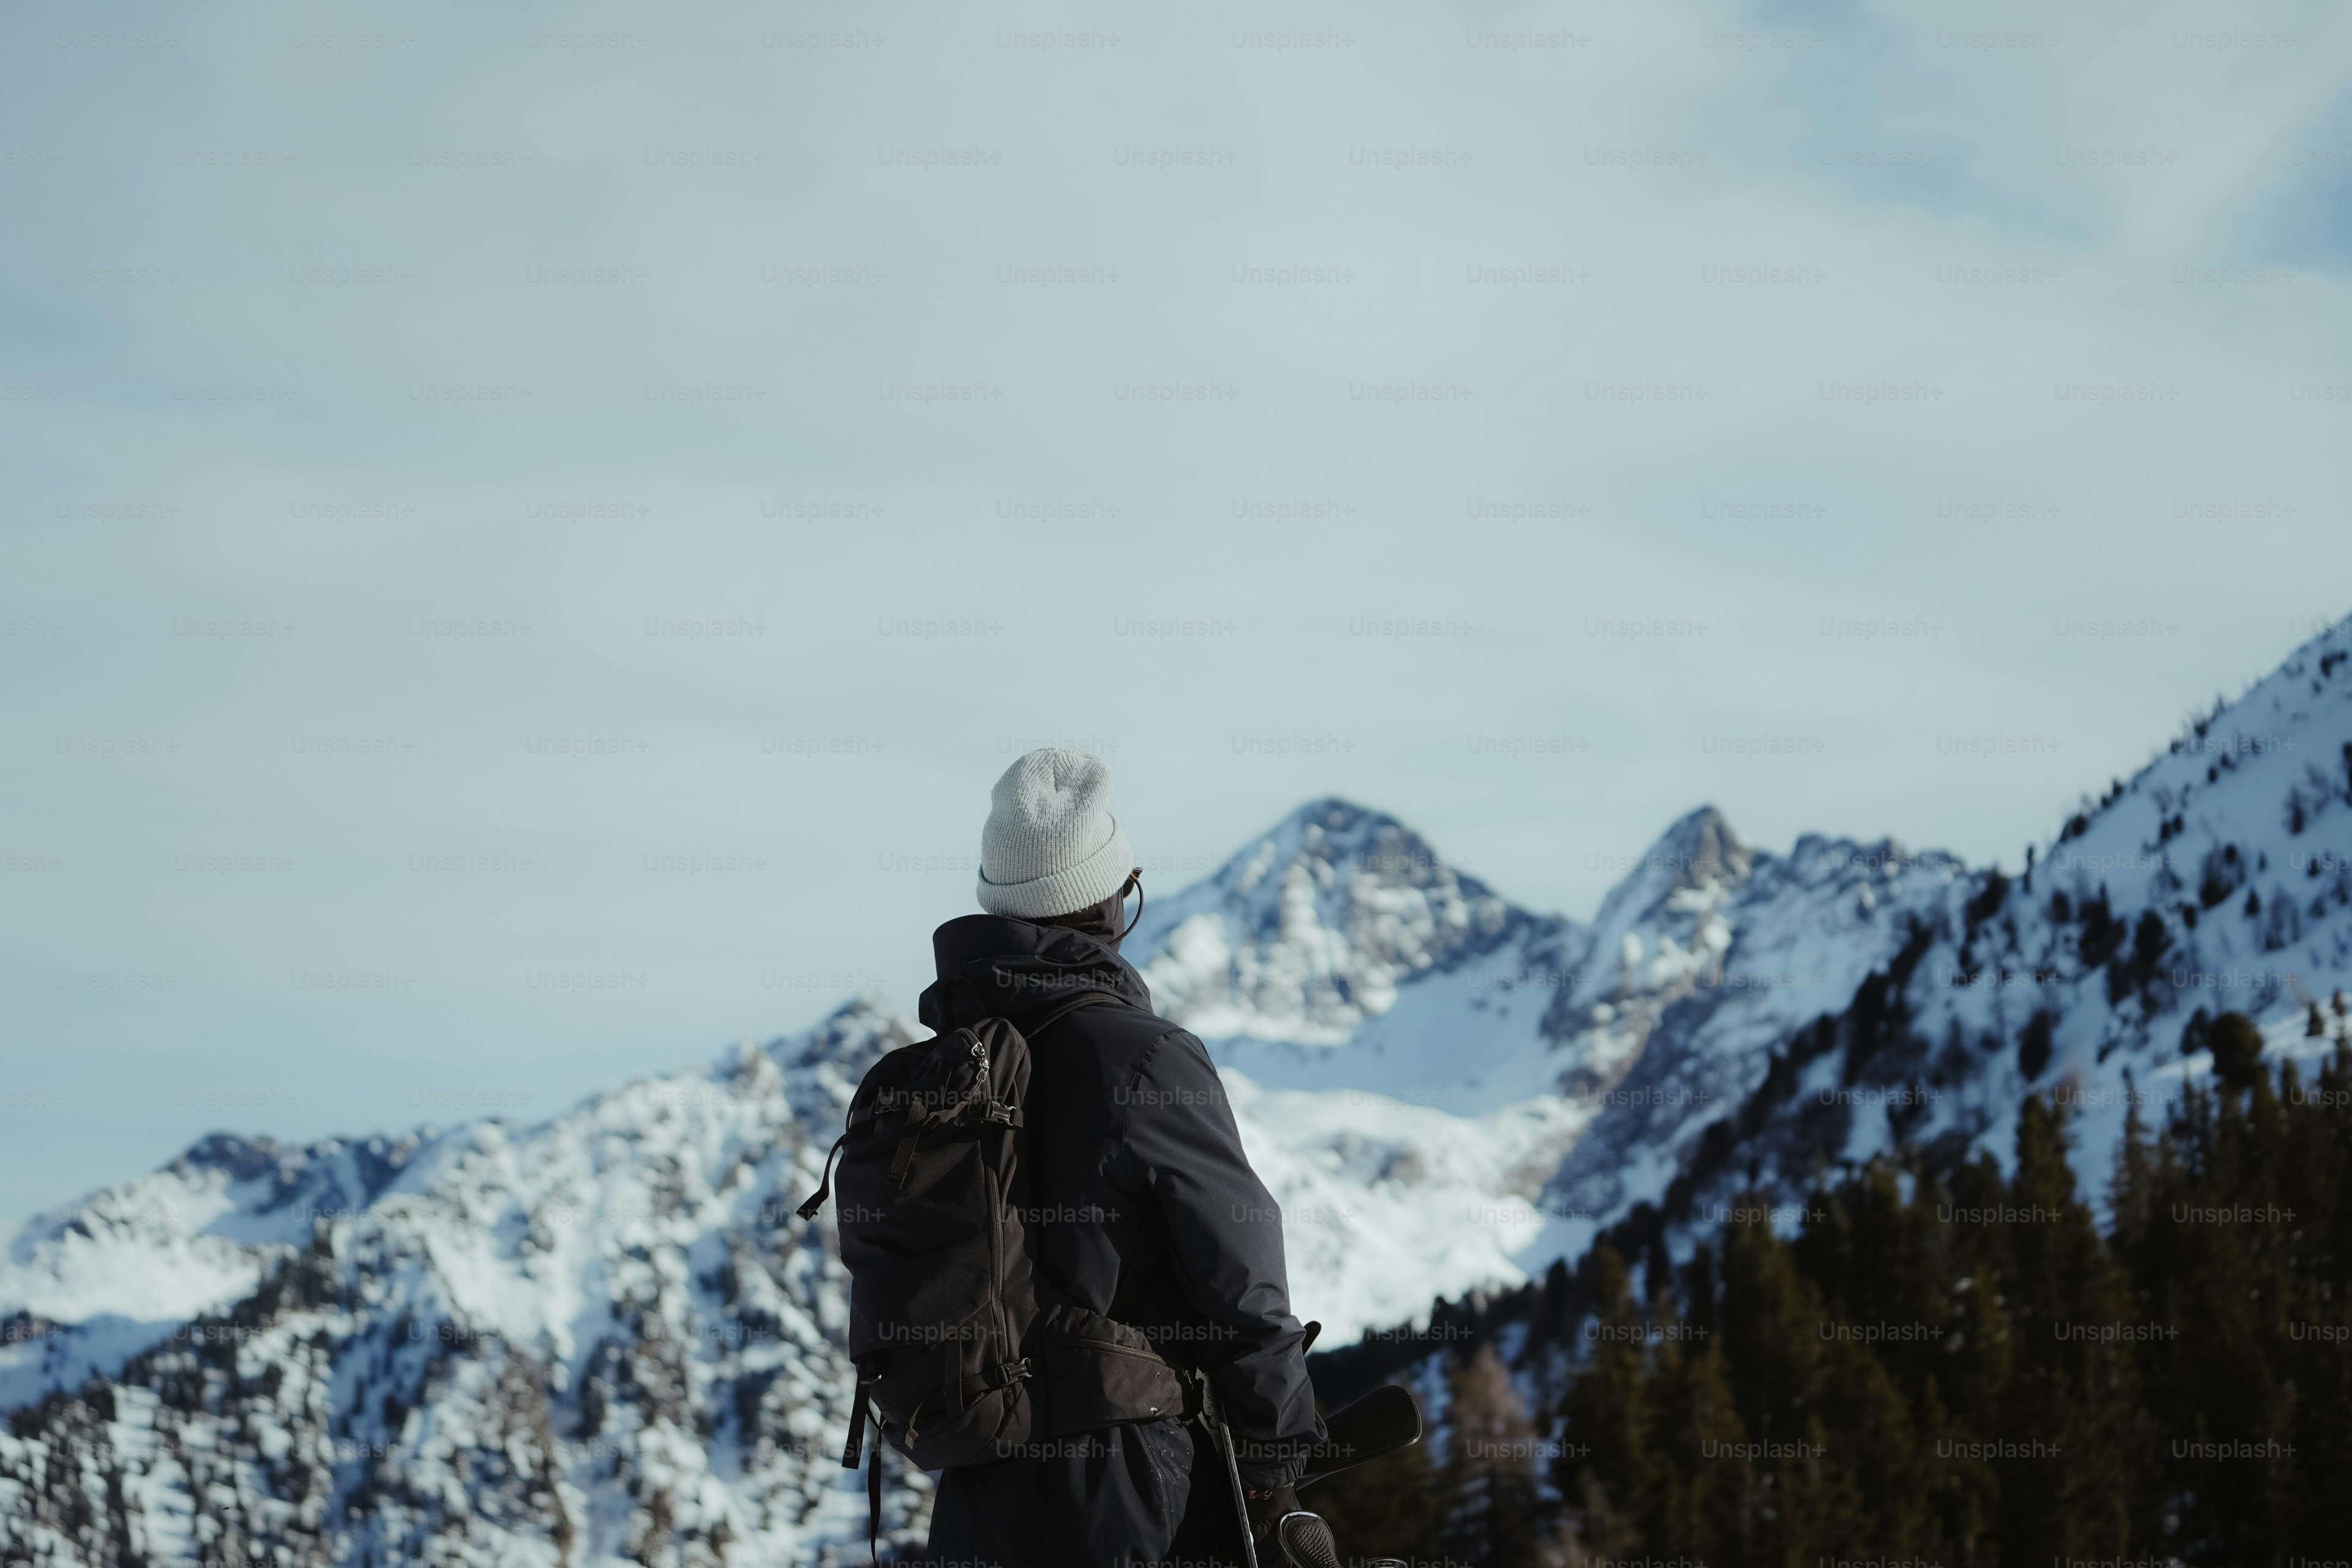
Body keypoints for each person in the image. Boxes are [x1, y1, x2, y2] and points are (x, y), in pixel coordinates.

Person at [918, 747, 1324, 1567]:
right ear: (1107, 904)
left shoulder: (945, 1070)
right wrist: (1276, 1462)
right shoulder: (1145, 1059)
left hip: (976, 1496)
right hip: (1134, 1490)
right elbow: (1240, 1275)